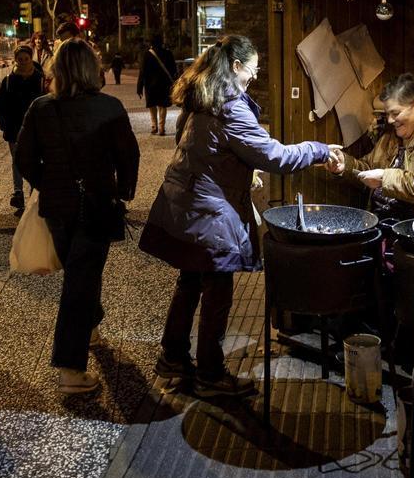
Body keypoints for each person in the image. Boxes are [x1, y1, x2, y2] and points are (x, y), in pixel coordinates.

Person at [140, 35, 335, 397]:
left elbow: (197, 145)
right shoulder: (230, 105)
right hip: (206, 211)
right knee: (217, 288)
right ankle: (210, 375)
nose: (254, 78)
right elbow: (275, 157)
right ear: (236, 67)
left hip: (186, 203)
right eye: (253, 70)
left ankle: (173, 359)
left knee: (190, 281)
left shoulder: (202, 97)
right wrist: (318, 149)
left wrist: (236, 165)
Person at [16, 39, 139, 395]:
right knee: (79, 281)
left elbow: (24, 158)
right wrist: (124, 191)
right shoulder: (109, 107)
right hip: (96, 203)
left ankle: (92, 324)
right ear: (91, 68)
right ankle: (70, 367)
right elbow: (127, 156)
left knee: (79, 272)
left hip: (57, 207)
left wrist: (48, 182)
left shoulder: (40, 108)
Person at [326, 73, 414, 221]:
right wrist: (346, 165)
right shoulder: (391, 138)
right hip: (382, 225)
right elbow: (369, 170)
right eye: (387, 114)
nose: (390, 120)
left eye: (395, 113)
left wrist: (385, 178)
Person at [0, 45, 46, 210]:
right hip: (14, 127)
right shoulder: (9, 81)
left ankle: (34, 191)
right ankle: (18, 193)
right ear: (16, 60)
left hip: (36, 128)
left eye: (26, 59)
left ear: (31, 59)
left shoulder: (40, 79)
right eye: (20, 59)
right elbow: (0, 104)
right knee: (17, 161)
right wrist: (4, 124)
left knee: (35, 160)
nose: (23, 62)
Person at [137, 34, 178, 135]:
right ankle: (161, 127)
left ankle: (154, 126)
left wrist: (139, 87)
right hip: (164, 84)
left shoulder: (147, 55)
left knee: (152, 105)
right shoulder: (168, 53)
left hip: (150, 84)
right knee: (162, 105)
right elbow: (173, 70)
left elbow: (142, 72)